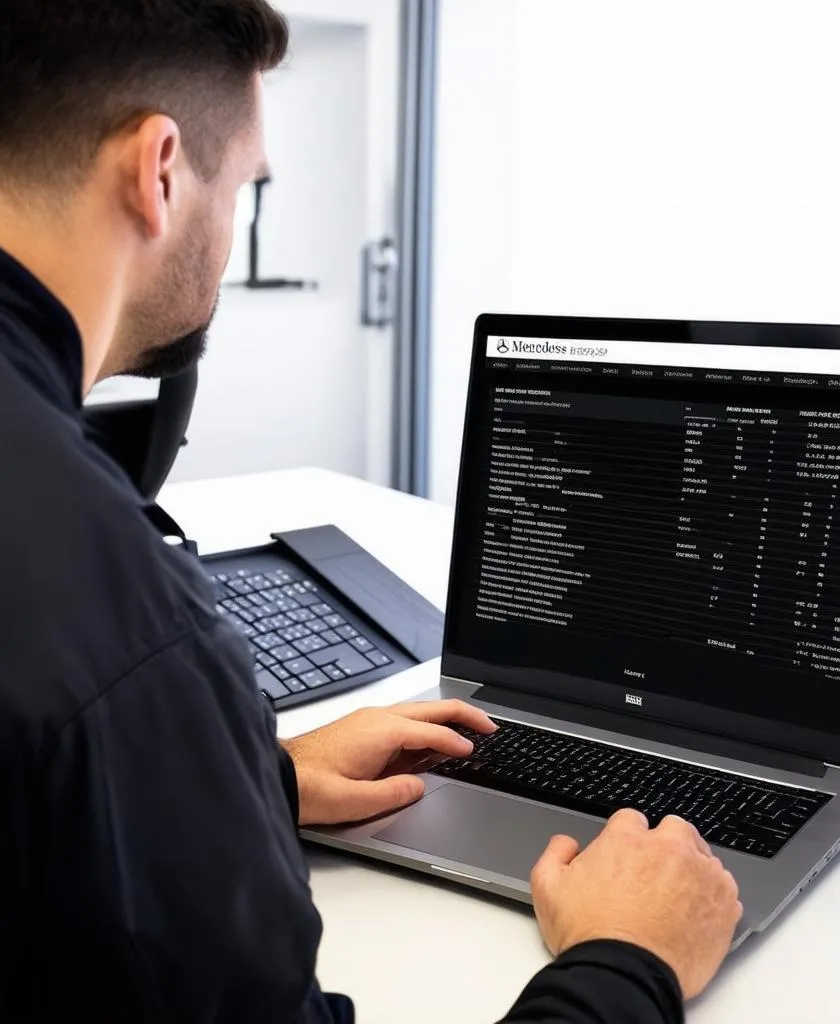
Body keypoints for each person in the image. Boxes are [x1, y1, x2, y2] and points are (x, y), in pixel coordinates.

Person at [0, 2, 742, 1021]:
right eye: (245, 189)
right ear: (159, 170)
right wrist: (626, 958)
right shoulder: (125, 629)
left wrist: (247, 779)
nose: (233, 231)